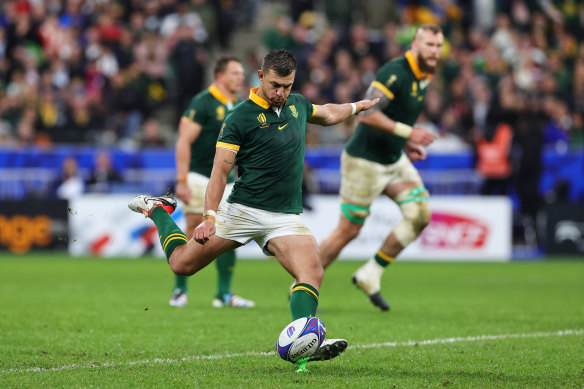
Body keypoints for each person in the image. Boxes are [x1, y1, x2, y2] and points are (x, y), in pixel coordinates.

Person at [129, 48, 378, 363]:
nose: (281, 93)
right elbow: (220, 172)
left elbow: (328, 113)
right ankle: (157, 210)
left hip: (285, 217)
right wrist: (208, 216)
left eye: (287, 86)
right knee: (181, 264)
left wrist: (356, 106)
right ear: (260, 76)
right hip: (243, 211)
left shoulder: (297, 104)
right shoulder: (240, 116)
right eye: (275, 85)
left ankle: (303, 340)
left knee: (312, 272)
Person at [318, 25, 442, 312]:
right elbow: (368, 113)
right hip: (364, 160)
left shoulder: (425, 75)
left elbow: (397, 116)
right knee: (347, 231)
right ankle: (304, 283)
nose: (435, 51)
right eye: (430, 45)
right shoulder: (395, 71)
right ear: (415, 44)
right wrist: (408, 133)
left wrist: (405, 142)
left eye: (438, 46)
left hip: (393, 158)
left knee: (420, 214)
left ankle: (370, 273)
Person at [171, 56, 255, 309]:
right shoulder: (203, 102)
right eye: (235, 73)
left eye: (241, 73)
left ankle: (224, 293)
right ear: (220, 76)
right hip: (199, 176)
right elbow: (183, 141)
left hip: (228, 181)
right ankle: (180, 290)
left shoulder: (239, 105)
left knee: (228, 234)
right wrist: (182, 179)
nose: (240, 77)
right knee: (193, 231)